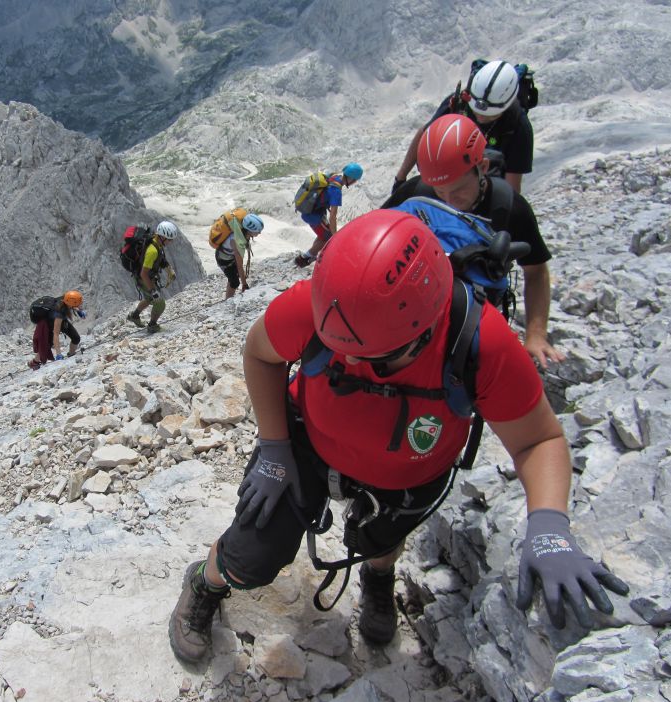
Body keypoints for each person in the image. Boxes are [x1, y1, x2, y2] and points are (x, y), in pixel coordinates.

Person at [168, 209, 629, 665]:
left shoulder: (482, 344)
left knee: (382, 538)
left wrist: (549, 526)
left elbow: (538, 440)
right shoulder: (324, 305)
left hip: (409, 474)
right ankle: (205, 582)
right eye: (338, 350)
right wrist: (273, 449)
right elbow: (261, 352)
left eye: (370, 358)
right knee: (252, 553)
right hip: (307, 445)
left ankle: (377, 577)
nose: (346, 363)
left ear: (424, 331)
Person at [384, 113, 564, 367]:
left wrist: (535, 336)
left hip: (473, 320)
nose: (448, 200)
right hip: (414, 319)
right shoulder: (417, 192)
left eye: (458, 190)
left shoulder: (509, 208)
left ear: (482, 168)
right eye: (440, 191)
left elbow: (535, 272)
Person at [394, 60, 533, 194]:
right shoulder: (459, 102)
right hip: (443, 180)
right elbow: (425, 134)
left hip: (483, 192)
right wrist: (400, 178)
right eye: (476, 111)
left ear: (507, 105)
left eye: (490, 115)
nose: (481, 118)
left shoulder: (518, 127)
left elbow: (512, 187)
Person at [293, 163, 363, 268]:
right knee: (328, 238)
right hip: (314, 216)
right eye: (355, 179)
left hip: (314, 212)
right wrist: (335, 236)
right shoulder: (336, 190)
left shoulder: (334, 176)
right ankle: (304, 259)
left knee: (323, 235)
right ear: (351, 178)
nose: (355, 182)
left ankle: (312, 254)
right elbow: (333, 215)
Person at [127, 221, 178, 334]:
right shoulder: (152, 251)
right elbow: (143, 274)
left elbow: (161, 260)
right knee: (160, 303)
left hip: (146, 277)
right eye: (169, 239)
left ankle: (134, 316)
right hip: (144, 278)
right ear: (163, 237)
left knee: (149, 298)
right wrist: (153, 290)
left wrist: (170, 270)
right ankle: (152, 325)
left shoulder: (156, 242)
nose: (171, 242)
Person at [29, 291, 86, 369]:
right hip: (50, 323)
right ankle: (34, 362)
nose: (78, 305)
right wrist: (58, 354)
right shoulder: (59, 313)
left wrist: (79, 311)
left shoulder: (65, 298)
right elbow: (55, 334)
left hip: (59, 319)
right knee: (46, 345)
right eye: (77, 304)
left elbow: (72, 305)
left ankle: (71, 354)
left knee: (76, 338)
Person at [215, 212, 264, 299]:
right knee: (235, 282)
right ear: (250, 230)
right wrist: (244, 284)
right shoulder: (237, 240)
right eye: (258, 231)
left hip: (227, 255)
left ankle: (228, 297)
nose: (259, 233)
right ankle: (228, 301)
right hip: (224, 260)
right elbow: (239, 266)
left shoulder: (241, 231)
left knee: (234, 276)